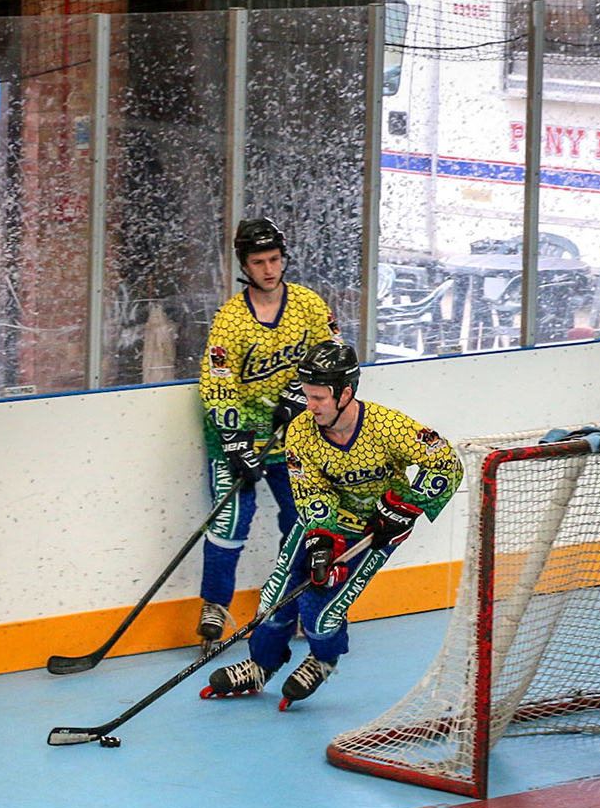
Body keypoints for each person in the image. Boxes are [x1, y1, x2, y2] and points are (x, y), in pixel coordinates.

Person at [202, 340, 463, 709]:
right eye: (307, 396)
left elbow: (447, 463)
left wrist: (407, 508)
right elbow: (310, 490)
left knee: (321, 613)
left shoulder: (388, 426)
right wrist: (322, 541)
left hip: (376, 530)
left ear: (346, 393)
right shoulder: (301, 432)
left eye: (319, 398)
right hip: (322, 523)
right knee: (275, 599)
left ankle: (323, 659)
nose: (310, 406)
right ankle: (262, 664)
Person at [196, 217, 340, 657]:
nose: (269, 269)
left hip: (291, 435)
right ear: (244, 265)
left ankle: (287, 602)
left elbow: (334, 354)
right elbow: (217, 383)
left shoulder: (309, 306)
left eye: (275, 259)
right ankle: (214, 608)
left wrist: (302, 394)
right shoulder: (231, 320)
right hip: (236, 433)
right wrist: (236, 439)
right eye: (259, 262)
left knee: (300, 519)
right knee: (231, 520)